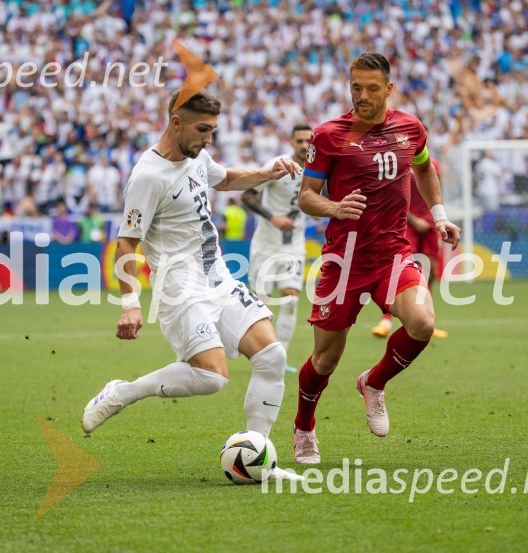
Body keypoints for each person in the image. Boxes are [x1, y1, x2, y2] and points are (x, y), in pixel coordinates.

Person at [81, 90, 302, 480]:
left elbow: (228, 179)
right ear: (175, 122)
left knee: (272, 357)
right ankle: (122, 392)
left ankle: (258, 461)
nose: (208, 140)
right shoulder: (148, 177)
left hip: (218, 277)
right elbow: (126, 242)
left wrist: (268, 172)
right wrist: (129, 303)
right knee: (212, 377)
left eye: (213, 131)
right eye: (202, 130)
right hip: (179, 287)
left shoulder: (197, 157)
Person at [292, 53, 460, 464]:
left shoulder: (410, 128)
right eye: (356, 87)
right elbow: (306, 197)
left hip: (392, 254)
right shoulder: (329, 135)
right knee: (326, 359)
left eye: (371, 88)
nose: (362, 95)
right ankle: (304, 427)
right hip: (342, 260)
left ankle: (373, 382)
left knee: (422, 323)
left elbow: (424, 169)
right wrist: (334, 208)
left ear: (388, 89)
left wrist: (438, 215)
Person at [242, 124, 312, 374]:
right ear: (291, 142)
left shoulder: (318, 168)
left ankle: (279, 359)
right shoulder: (278, 165)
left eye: (308, 140)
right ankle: (259, 353)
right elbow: (247, 196)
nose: (305, 145)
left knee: (291, 300)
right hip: (266, 242)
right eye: (300, 141)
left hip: (294, 244)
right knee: (260, 302)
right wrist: (273, 218)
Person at [372, 159, 448, 340]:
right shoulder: (399, 163)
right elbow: (392, 194)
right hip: (405, 222)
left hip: (429, 222)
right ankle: (386, 321)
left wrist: (438, 218)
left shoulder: (433, 165)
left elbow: (436, 191)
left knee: (430, 271)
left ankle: (426, 317)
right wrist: (413, 219)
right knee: (399, 270)